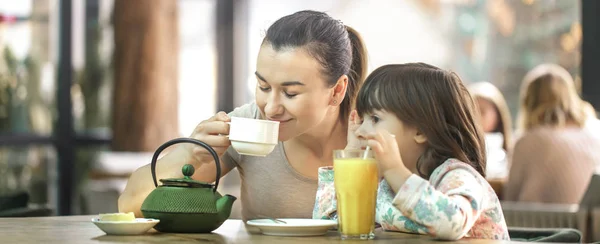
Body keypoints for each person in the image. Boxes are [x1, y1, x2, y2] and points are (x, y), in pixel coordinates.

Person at [118, 10, 368, 221]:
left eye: (290, 93)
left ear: (337, 90)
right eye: (263, 87)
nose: (270, 108)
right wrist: (190, 154)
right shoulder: (248, 125)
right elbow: (129, 207)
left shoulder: (375, 131)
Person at [314, 63, 510, 240]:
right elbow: (327, 222)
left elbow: (451, 223)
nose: (361, 131)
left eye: (374, 119)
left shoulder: (457, 176)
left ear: (420, 130)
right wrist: (352, 155)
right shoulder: (383, 184)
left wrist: (395, 171)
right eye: (361, 119)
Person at [505, 63, 600, 204]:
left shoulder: (529, 140)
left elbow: (510, 197)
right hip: (587, 223)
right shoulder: (595, 130)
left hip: (540, 223)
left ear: (529, 100)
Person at [468, 81, 512, 179]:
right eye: (472, 111)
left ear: (497, 115)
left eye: (482, 111)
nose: (476, 117)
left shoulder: (511, 153)